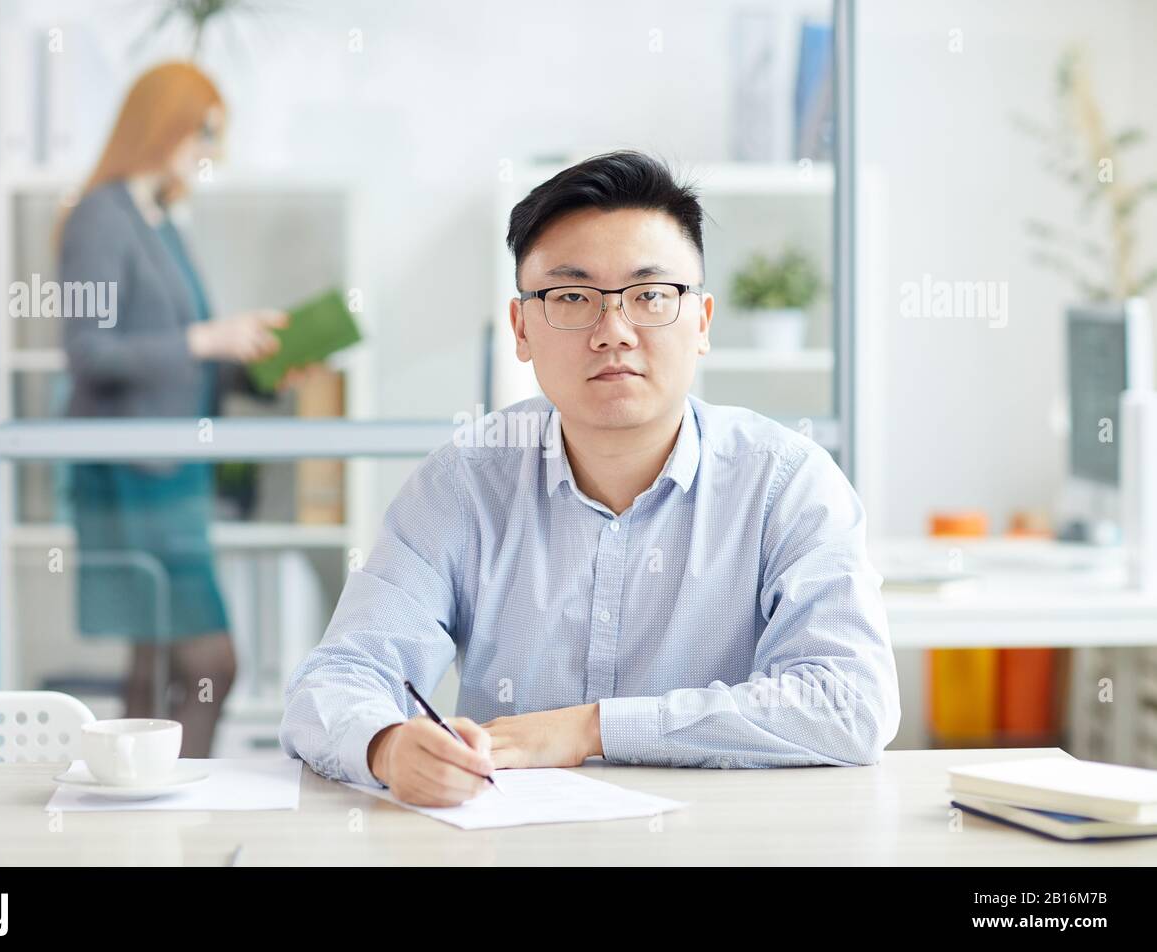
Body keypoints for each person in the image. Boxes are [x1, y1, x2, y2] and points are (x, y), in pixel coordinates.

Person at [279, 150, 901, 805]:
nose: (614, 331)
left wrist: (590, 729)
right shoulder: (463, 483)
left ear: (702, 323)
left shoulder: (786, 483)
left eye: (650, 296)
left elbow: (850, 702)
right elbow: (337, 678)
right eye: (572, 297)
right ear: (521, 328)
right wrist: (387, 746)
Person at [60, 62, 302, 757]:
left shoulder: (157, 219)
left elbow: (187, 352)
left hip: (173, 471)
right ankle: (174, 807)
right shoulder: (102, 214)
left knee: (154, 666)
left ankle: (139, 831)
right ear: (161, 124)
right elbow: (90, 353)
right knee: (209, 662)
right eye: (204, 132)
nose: (210, 151)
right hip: (133, 474)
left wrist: (260, 362)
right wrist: (206, 338)